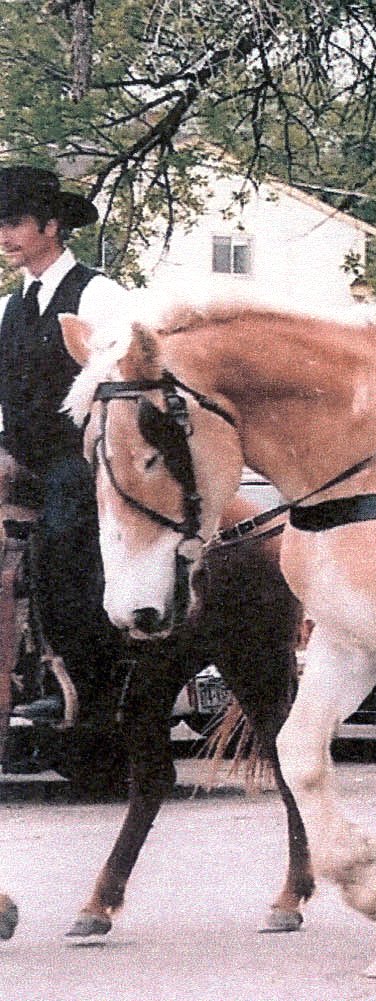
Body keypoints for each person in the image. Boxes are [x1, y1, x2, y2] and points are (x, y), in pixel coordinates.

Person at [0, 165, 130, 721]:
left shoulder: (97, 294)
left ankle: (84, 676)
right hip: (23, 453)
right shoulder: (9, 306)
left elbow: (119, 379)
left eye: (14, 223)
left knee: (64, 529)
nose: (4, 236)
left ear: (51, 226)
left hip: (85, 453)